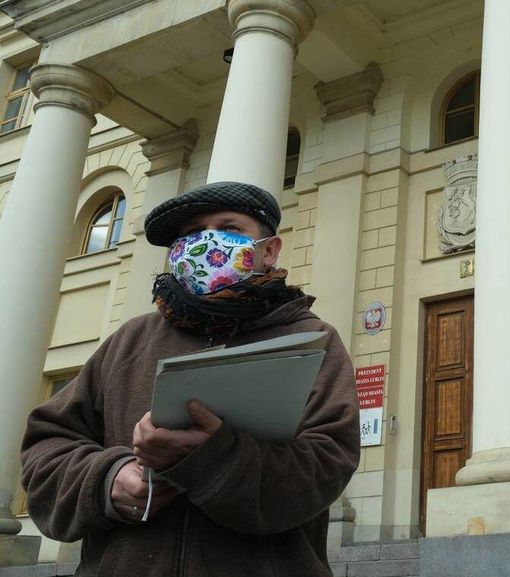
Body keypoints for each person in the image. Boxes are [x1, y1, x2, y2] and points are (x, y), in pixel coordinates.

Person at [20, 181, 360, 577]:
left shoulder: (311, 340)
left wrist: (209, 459)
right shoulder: (129, 340)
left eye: (229, 228)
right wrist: (108, 481)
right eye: (190, 234)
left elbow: (328, 461)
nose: (205, 243)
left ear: (268, 250)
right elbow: (47, 445)